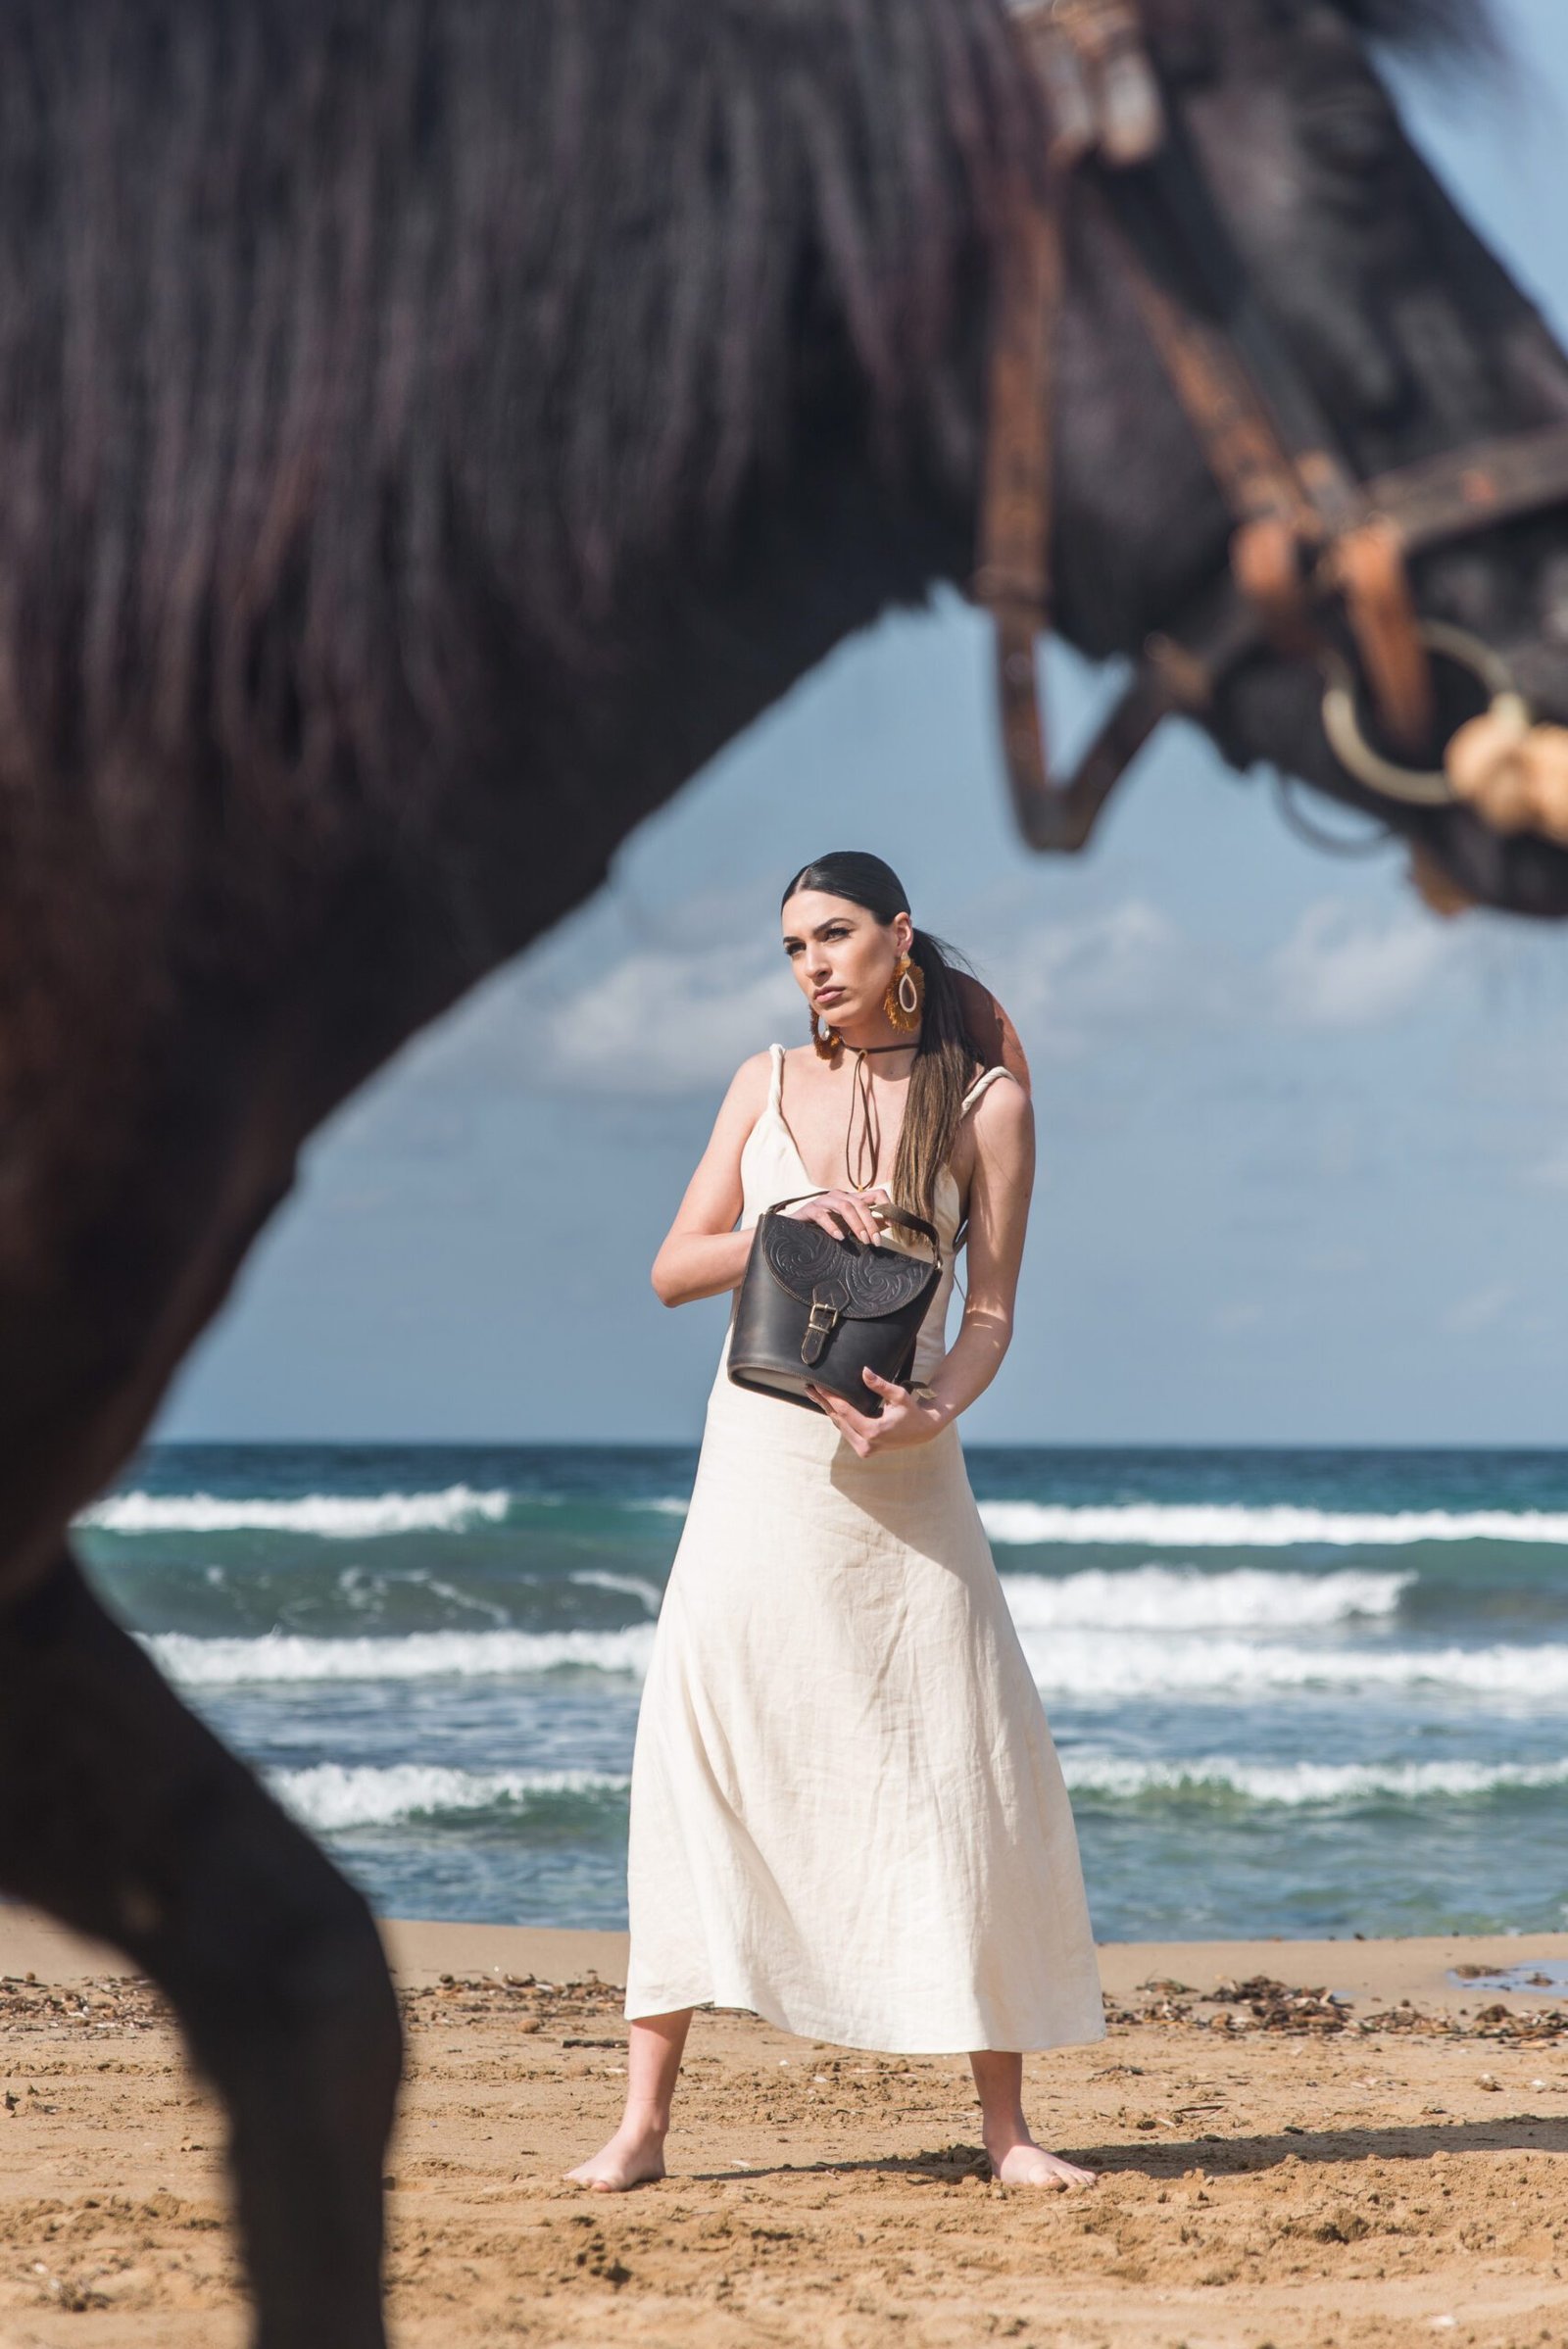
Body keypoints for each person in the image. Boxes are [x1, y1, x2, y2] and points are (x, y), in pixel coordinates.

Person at [567, 852, 1103, 2193]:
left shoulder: (988, 1106)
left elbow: (990, 1316)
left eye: (835, 934)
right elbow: (667, 1267)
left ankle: (1007, 2129)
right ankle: (641, 2124)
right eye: (794, 943)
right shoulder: (762, 1080)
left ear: (898, 935)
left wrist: (935, 1412)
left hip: (900, 1480)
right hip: (752, 1471)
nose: (812, 962)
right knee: (700, 1758)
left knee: (959, 1761)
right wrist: (778, 1220)